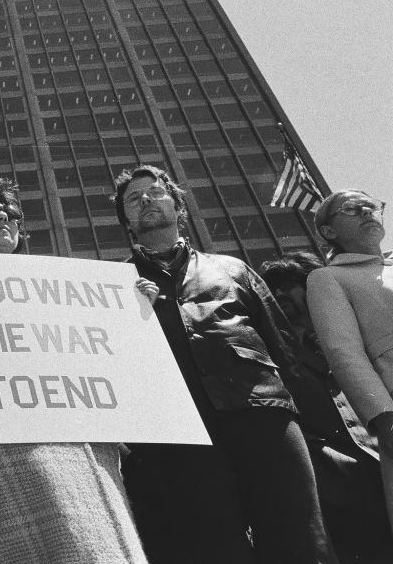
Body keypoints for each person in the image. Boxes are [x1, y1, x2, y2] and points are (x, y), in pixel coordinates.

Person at [113, 164, 336, 564]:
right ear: (127, 220)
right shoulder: (114, 285)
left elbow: (284, 348)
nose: (146, 199)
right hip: (178, 432)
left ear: (178, 206)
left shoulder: (232, 268)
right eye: (134, 198)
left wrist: (318, 428)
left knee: (299, 538)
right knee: (210, 546)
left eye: (156, 192)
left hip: (263, 414)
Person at [0, 175, 147, 564]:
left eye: (12, 213)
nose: (3, 218)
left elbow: (112, 366)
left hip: (76, 454)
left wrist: (136, 314)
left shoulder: (63, 292)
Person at [261, 251, 392, 562]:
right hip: (341, 489)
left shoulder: (359, 333)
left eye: (290, 284)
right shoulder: (276, 349)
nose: (280, 294)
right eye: (273, 288)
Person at [306, 189, 393, 535]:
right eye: (353, 209)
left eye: (372, 207)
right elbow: (345, 353)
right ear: (330, 232)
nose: (367, 212)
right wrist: (383, 417)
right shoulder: (328, 278)